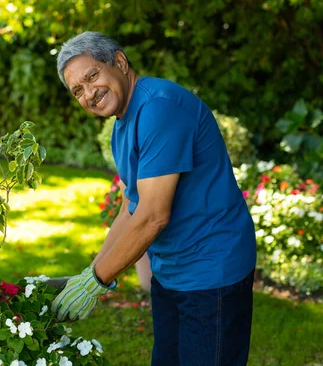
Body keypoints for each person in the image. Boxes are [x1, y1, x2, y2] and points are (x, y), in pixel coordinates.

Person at [51, 31, 257, 366]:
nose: (89, 93)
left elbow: (153, 216)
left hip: (211, 270)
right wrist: (90, 272)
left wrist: (96, 282)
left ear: (119, 62)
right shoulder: (124, 121)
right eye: (78, 90)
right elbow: (131, 208)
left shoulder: (159, 108)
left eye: (92, 77)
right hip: (172, 271)